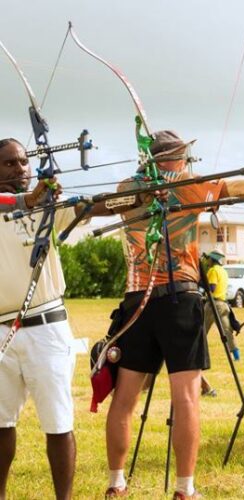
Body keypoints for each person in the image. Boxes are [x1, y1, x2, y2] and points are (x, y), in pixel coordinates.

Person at [102, 130, 244, 499]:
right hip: (179, 298)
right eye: (181, 156)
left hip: (137, 299)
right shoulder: (190, 185)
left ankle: (116, 483)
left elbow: (105, 205)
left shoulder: (127, 187)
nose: (185, 162)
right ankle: (185, 489)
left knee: (125, 397)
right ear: (174, 158)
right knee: (185, 396)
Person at [0, 137, 83, 500]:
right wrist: (27, 200)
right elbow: (12, 202)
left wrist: (138, 193)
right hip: (3, 329)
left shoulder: (45, 206)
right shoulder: (23, 202)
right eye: (8, 164)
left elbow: (95, 208)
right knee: (0, 423)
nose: (20, 169)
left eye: (23, 162)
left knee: (58, 423)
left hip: (46, 327)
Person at [199, 249, 237, 398]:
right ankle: (236, 354)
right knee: (227, 331)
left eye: (208, 258)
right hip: (223, 304)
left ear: (211, 260)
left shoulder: (214, 270)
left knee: (201, 332)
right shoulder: (223, 270)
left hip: (213, 304)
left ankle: (199, 356)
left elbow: (211, 288)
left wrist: (199, 280)